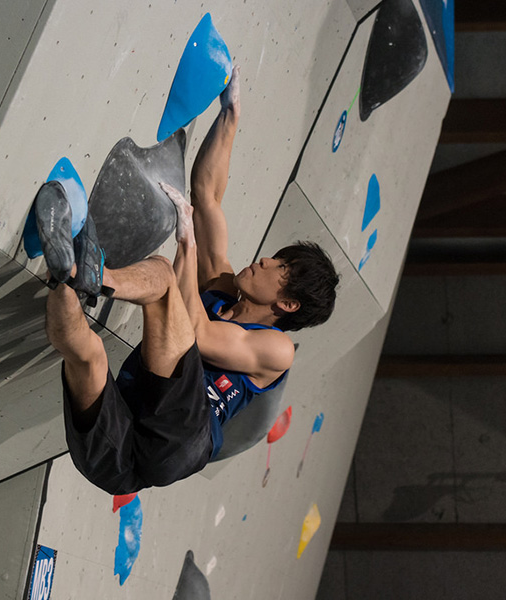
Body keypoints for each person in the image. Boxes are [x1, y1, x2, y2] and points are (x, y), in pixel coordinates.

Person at [37, 68, 338, 495]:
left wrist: (186, 247)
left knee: (162, 277)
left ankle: (90, 275)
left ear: (288, 304)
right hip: (116, 463)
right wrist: (230, 118)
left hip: (181, 441)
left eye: (280, 269)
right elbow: (207, 195)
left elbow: (197, 332)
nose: (267, 259)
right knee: (86, 356)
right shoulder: (221, 285)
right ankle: (63, 273)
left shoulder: (277, 349)